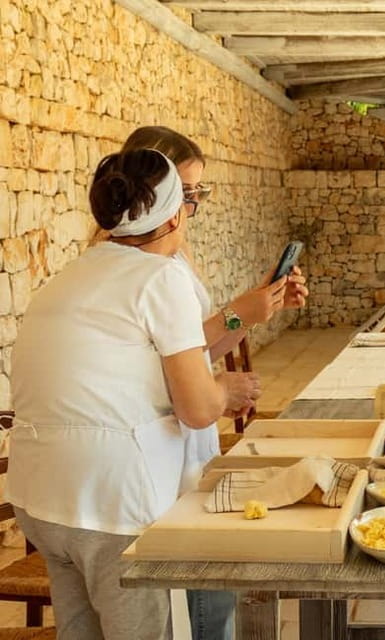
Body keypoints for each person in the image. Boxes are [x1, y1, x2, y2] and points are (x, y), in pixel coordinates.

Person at [7, 149, 262, 640]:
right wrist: (225, 389)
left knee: (80, 631)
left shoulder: (70, 275)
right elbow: (197, 408)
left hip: (39, 496)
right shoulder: (160, 278)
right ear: (173, 213)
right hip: (112, 502)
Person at [119, 126, 309, 640]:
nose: (190, 206)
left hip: (190, 429)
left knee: (210, 584)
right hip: (165, 434)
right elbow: (169, 359)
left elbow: (197, 348)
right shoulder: (135, 266)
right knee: (199, 593)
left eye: (197, 193)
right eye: (186, 192)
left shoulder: (175, 257)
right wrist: (233, 320)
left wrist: (255, 310)